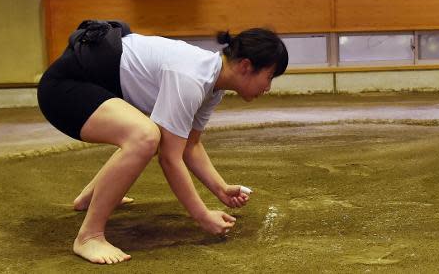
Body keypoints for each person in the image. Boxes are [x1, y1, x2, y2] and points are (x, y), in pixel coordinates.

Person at [38, 23, 289, 264]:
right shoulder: (192, 77)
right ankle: (89, 236)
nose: (267, 87)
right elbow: (170, 158)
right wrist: (202, 216)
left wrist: (220, 189)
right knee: (145, 136)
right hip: (64, 89)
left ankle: (90, 198)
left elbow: (190, 145)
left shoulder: (213, 84)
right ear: (246, 66)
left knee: (148, 133)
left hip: (94, 87)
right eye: (269, 77)